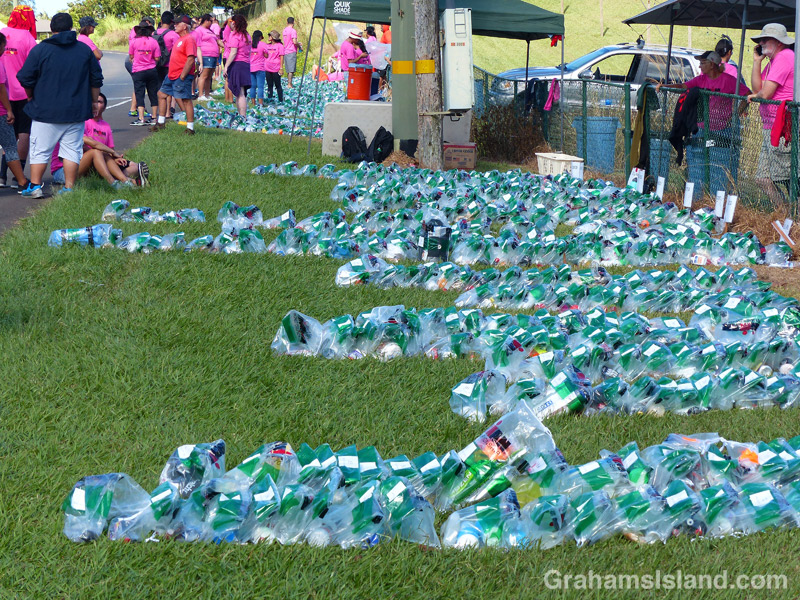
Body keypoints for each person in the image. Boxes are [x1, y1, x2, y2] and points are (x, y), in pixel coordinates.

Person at [16, 12, 102, 198]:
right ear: (71, 28)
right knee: (72, 149)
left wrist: (30, 96)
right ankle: (69, 188)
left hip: (45, 111)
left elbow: (25, 77)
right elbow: (96, 78)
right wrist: (94, 101)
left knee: (40, 149)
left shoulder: (40, 50)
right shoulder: (83, 49)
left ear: (52, 29)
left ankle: (36, 186)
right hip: (76, 110)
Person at [52, 93, 149, 190]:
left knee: (134, 166)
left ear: (104, 106)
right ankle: (116, 182)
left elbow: (109, 149)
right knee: (96, 152)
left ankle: (123, 180)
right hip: (64, 170)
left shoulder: (105, 126)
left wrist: (115, 158)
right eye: (93, 102)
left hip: (92, 162)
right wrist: (113, 153)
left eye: (99, 102)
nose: (95, 105)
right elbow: (89, 146)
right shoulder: (79, 123)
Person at [747, 23, 795, 206]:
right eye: (761, 39)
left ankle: (794, 217)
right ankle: (785, 214)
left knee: (789, 178)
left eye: (766, 39)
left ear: (779, 42)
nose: (761, 42)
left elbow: (764, 94)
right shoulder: (774, 61)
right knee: (763, 178)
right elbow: (757, 88)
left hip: (783, 127)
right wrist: (757, 62)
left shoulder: (784, 57)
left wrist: (756, 96)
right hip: (772, 126)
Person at [656, 51, 749, 135]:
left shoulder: (729, 80)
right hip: (702, 127)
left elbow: (748, 94)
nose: (700, 66)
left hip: (723, 129)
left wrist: (735, 116)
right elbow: (683, 86)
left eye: (703, 63)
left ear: (712, 64)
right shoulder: (700, 79)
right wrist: (666, 86)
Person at [0, 5, 36, 188]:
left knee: (8, 138)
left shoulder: (1, 33)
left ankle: (2, 176)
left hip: (2, 95)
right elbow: (33, 68)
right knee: (24, 134)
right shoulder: (28, 37)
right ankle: (18, 179)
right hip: (22, 93)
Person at [152, 14, 196, 134]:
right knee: (161, 94)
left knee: (186, 100)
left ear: (185, 26)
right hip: (171, 74)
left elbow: (191, 59)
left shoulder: (189, 39)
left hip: (180, 75)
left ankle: (190, 128)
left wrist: (183, 75)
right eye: (174, 23)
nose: (174, 25)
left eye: (177, 23)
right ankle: (160, 123)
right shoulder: (179, 39)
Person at [0, 32, 28, 191]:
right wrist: (9, 110)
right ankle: (22, 182)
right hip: (2, 112)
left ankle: (4, 177)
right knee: (10, 147)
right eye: (3, 46)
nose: (4, 50)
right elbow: (1, 90)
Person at [129, 19, 161, 126]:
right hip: (151, 70)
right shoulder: (154, 41)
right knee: (153, 93)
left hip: (138, 71)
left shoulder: (134, 41)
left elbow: (131, 56)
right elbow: (157, 57)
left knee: (139, 93)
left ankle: (141, 118)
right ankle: (154, 117)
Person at [223, 14, 251, 117]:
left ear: (234, 23)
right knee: (242, 92)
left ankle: (242, 115)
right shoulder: (247, 35)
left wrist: (226, 66)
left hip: (237, 64)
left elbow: (233, 52)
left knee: (239, 93)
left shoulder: (234, 35)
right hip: (246, 64)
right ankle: (241, 114)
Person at [194, 14, 220, 100]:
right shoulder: (199, 30)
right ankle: (201, 94)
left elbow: (217, 40)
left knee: (209, 76)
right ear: (206, 21)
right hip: (205, 55)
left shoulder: (210, 31)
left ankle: (207, 94)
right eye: (211, 21)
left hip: (213, 55)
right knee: (204, 75)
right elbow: (196, 44)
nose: (212, 23)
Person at [264, 30, 284, 103]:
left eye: (270, 36)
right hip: (267, 68)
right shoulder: (267, 45)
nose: (268, 37)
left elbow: (282, 57)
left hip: (276, 68)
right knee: (269, 85)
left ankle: (281, 100)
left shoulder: (280, 46)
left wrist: (281, 68)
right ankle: (270, 99)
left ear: (273, 37)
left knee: (278, 85)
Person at [248, 30, 268, 106]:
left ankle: (253, 103)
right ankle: (260, 103)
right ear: (260, 37)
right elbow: (266, 55)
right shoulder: (263, 45)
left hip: (251, 68)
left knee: (252, 86)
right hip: (260, 67)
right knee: (260, 87)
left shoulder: (249, 44)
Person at [282, 16, 300, 88]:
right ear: (293, 23)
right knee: (291, 70)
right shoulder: (293, 31)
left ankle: (288, 83)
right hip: (291, 50)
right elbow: (294, 42)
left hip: (285, 50)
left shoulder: (284, 31)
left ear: (287, 22)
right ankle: (289, 84)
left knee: (288, 68)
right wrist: (299, 46)